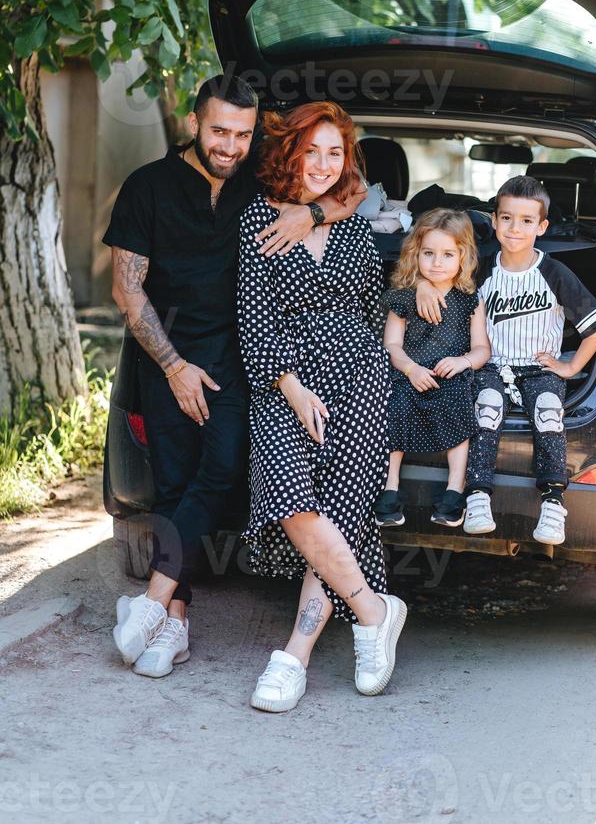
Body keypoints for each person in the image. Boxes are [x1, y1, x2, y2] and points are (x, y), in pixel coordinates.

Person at [103, 75, 367, 678]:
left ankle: (147, 604)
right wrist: (173, 366)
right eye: (219, 130)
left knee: (219, 470)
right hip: (164, 353)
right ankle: (176, 624)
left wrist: (310, 214)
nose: (230, 145)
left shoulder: (257, 180)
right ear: (194, 124)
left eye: (243, 134)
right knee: (172, 485)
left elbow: (352, 184)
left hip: (237, 353)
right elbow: (128, 289)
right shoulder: (147, 187)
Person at [237, 101, 407, 713]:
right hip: (285, 379)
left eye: (336, 152)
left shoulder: (356, 223)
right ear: (291, 151)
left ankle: (295, 655)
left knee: (339, 506)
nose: (325, 163)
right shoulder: (260, 217)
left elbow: (369, 307)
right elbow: (253, 315)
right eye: (313, 149)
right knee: (288, 497)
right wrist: (291, 383)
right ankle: (373, 611)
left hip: (359, 377)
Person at [462, 175, 596, 544]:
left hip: (538, 367)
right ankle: (478, 495)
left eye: (527, 221)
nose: (515, 228)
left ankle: (552, 502)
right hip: (492, 365)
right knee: (487, 408)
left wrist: (572, 366)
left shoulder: (553, 272)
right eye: (507, 218)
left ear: (542, 226)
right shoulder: (481, 269)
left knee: (548, 411)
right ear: (494, 220)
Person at [374, 209, 491, 528]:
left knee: (461, 406)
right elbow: (391, 346)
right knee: (394, 407)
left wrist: (463, 361)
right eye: (428, 253)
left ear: (463, 256)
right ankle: (389, 487)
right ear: (416, 254)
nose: (437, 262)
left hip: (449, 374)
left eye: (447, 254)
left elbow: (483, 349)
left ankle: (454, 490)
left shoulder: (469, 300)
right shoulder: (403, 298)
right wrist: (411, 369)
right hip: (409, 372)